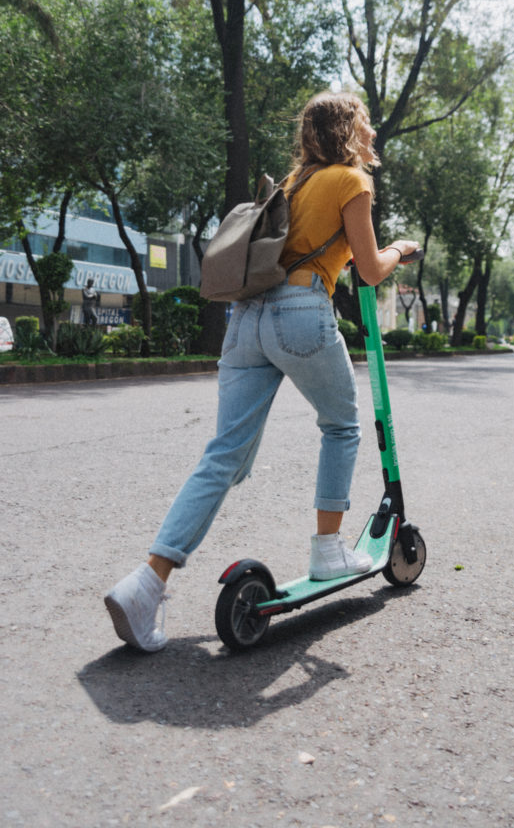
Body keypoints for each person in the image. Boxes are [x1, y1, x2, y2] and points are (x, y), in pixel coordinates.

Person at [104, 91, 419, 652]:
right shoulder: (351, 182)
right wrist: (399, 248)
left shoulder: (293, 186)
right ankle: (327, 551)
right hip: (299, 314)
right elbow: (369, 271)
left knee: (223, 454)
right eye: (365, 126)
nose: (371, 135)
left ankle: (146, 582)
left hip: (245, 320)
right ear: (349, 132)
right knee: (342, 426)